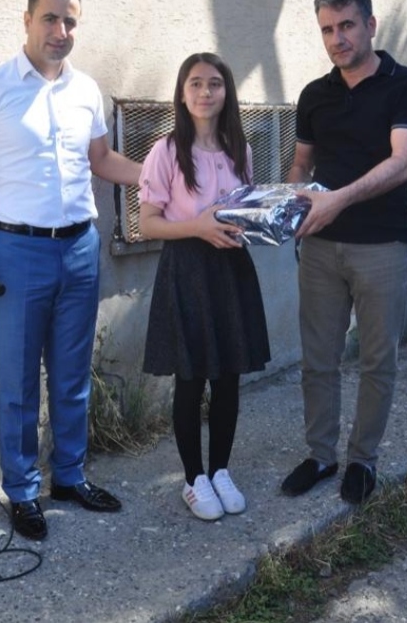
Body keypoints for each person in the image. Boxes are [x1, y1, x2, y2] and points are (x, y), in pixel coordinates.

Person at [0, 0, 142, 541]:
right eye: (50, 18)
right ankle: (23, 490)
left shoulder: (87, 90)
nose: (61, 31)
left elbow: (102, 160)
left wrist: (164, 175)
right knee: (18, 379)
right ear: (27, 20)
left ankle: (70, 477)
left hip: (80, 247)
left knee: (74, 373)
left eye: (70, 21)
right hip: (18, 250)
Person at [280, 0, 407, 505]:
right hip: (320, 246)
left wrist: (337, 200)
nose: (337, 39)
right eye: (327, 29)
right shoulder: (314, 94)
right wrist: (290, 201)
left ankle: (363, 459)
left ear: (370, 25)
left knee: (376, 360)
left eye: (346, 26)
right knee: (318, 358)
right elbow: (302, 162)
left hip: (382, 244)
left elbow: (402, 161)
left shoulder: (406, 85)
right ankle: (321, 455)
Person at [138, 53, 271, 521]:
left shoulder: (241, 150)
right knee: (191, 379)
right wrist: (197, 227)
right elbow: (148, 223)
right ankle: (194, 479)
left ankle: (220, 471)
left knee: (228, 376)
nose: (205, 92)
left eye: (214, 83)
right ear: (181, 93)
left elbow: (244, 209)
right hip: (187, 269)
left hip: (231, 270)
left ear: (226, 92)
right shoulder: (166, 151)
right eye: (195, 83)